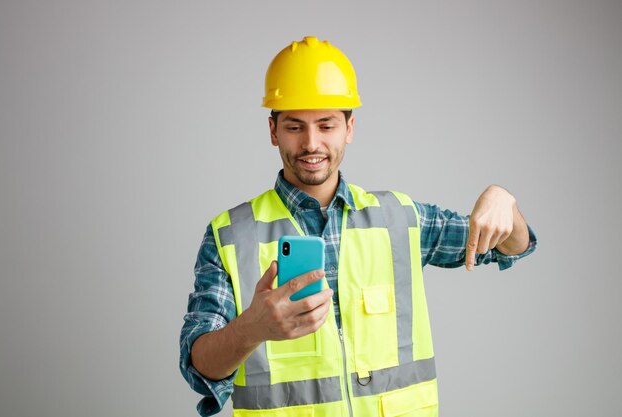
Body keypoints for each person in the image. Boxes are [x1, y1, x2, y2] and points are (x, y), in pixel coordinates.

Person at [180, 36, 537, 417]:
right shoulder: (231, 235)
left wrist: (504, 200)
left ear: (349, 127)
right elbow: (199, 367)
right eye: (295, 126)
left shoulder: (399, 219)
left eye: (326, 125)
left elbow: (511, 245)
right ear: (273, 131)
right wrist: (252, 327)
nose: (311, 143)